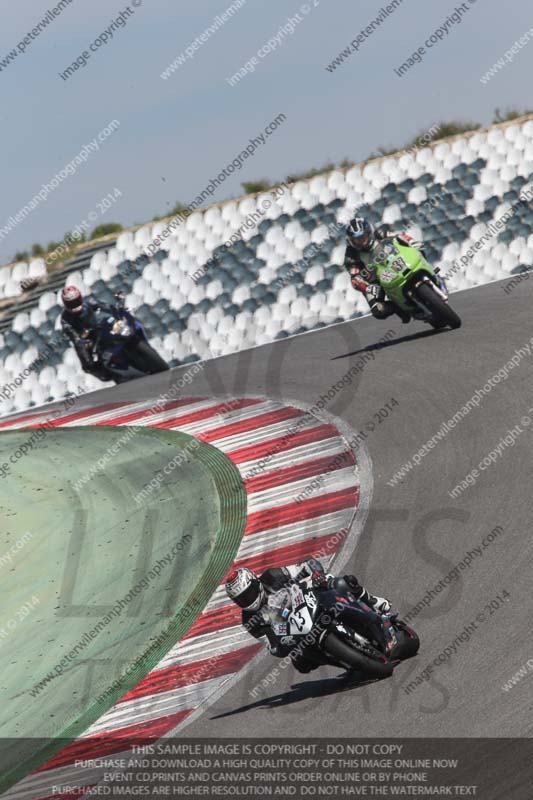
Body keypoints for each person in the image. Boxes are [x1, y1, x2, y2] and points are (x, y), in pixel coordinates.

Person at [225, 559, 391, 673]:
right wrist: (282, 645)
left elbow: (306, 565)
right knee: (301, 663)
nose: (247, 600)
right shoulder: (250, 621)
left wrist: (317, 574)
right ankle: (348, 661)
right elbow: (272, 646)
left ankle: (374, 602)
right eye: (241, 599)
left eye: (248, 594)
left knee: (340, 582)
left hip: (311, 601)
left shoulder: (273, 576)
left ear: (256, 583)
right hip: (297, 632)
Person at [343, 218, 426, 323]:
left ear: (369, 233)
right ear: (351, 240)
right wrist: (366, 287)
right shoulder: (351, 255)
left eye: (363, 237)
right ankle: (398, 307)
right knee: (378, 310)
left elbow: (399, 237)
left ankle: (429, 271)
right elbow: (355, 279)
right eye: (357, 239)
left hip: (396, 261)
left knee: (420, 251)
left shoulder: (380, 233)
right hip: (376, 280)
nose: (361, 241)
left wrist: (412, 242)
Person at [60, 286, 123, 381]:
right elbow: (70, 331)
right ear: (66, 304)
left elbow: (103, 306)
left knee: (121, 324)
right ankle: (108, 374)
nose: (75, 305)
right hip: (85, 337)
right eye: (71, 303)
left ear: (80, 298)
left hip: (100, 326)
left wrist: (116, 310)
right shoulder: (65, 318)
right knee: (87, 364)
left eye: (76, 301)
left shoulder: (88, 301)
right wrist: (79, 340)